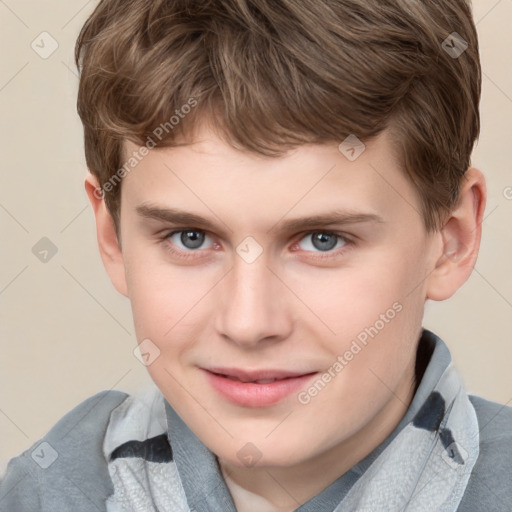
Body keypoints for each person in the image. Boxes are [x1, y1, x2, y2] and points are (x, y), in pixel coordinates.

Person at [1, 0, 510, 510]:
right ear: (112, 237)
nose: (247, 323)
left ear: (451, 239)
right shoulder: (45, 495)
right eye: (190, 237)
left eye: (321, 240)